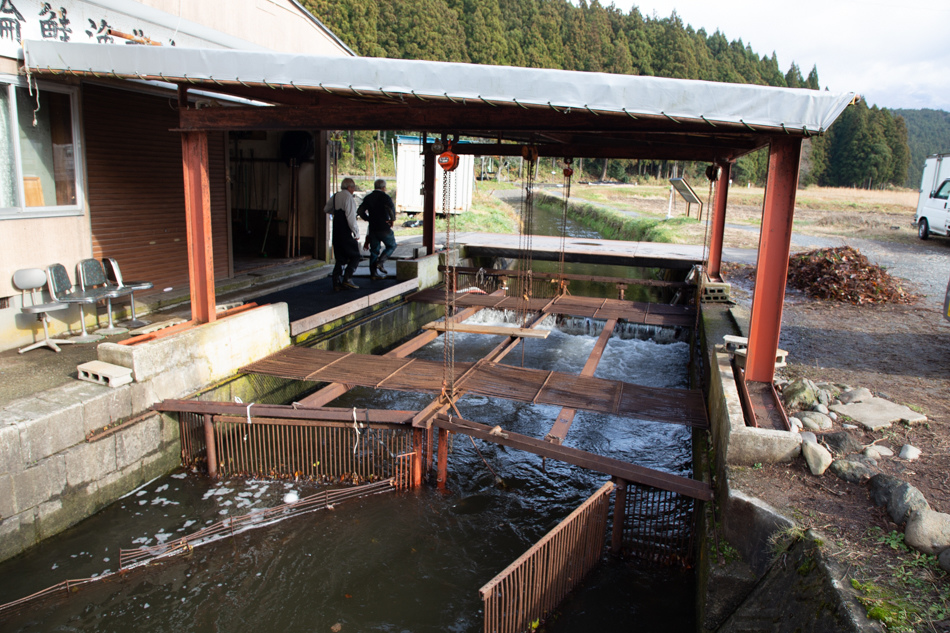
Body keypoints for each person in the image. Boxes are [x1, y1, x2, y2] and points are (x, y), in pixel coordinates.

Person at [324, 177, 361, 290]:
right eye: (353, 187)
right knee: (355, 256)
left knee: (340, 258)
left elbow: (326, 209)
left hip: (336, 230)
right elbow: (350, 217)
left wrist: (335, 212)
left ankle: (336, 282)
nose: (354, 190)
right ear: (349, 187)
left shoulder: (336, 196)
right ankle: (347, 278)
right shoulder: (348, 198)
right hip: (345, 231)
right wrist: (356, 232)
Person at [357, 178, 397, 280]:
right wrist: (392, 220)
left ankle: (373, 274)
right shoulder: (386, 197)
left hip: (373, 228)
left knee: (374, 251)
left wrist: (368, 219)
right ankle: (381, 262)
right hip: (384, 227)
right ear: (383, 187)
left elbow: (360, 211)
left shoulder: (368, 198)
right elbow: (390, 209)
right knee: (392, 245)